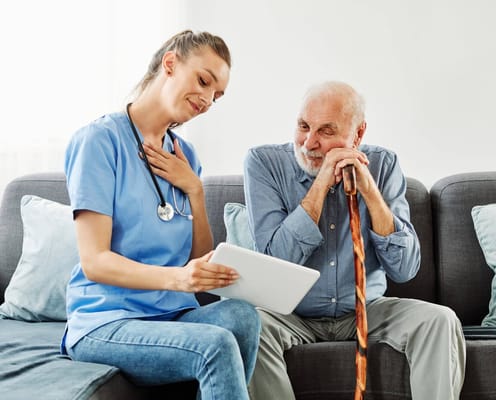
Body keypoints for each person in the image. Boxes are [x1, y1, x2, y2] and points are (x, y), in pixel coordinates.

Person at [61, 30, 260, 400]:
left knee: (243, 316)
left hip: (172, 316)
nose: (207, 100)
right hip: (108, 321)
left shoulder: (186, 156)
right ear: (170, 63)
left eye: (216, 96)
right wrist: (177, 279)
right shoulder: (100, 141)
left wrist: (195, 192)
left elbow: (197, 265)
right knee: (215, 344)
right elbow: (95, 262)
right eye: (203, 81)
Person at [244, 81, 465, 400]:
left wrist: (370, 192)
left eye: (326, 131)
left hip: (367, 309)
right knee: (247, 323)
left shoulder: (384, 164)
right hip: (290, 314)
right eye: (304, 126)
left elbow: (404, 269)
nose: (309, 143)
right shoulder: (263, 163)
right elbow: (276, 259)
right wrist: (321, 184)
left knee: (439, 320)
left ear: (357, 136)